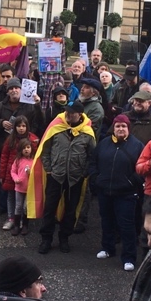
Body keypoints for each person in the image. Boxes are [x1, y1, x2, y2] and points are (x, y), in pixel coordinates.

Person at [35, 101, 96, 254]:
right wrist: (49, 169)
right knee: (49, 208)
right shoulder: (56, 128)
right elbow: (45, 149)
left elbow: (92, 156)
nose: (68, 115)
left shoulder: (87, 133)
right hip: (56, 176)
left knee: (70, 209)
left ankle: (64, 238)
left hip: (75, 178)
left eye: (72, 113)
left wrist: (84, 172)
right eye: (67, 112)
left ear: (80, 114)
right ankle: (46, 239)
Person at [90, 114, 144, 271]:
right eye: (118, 126)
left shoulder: (137, 145)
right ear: (113, 128)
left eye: (124, 126)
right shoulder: (104, 143)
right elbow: (93, 162)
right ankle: (107, 248)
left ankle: (129, 257)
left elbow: (141, 168)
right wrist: (96, 178)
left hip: (126, 193)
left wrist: (131, 182)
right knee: (107, 221)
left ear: (129, 129)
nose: (121, 129)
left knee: (127, 225)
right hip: (105, 190)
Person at [0, 116, 39, 231]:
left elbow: (37, 157)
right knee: (11, 196)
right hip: (11, 173)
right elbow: (4, 156)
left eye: (23, 126)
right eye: (18, 126)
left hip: (26, 176)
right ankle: (11, 218)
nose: (21, 128)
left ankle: (22, 220)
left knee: (25, 200)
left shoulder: (32, 139)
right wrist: (2, 174)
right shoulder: (10, 139)